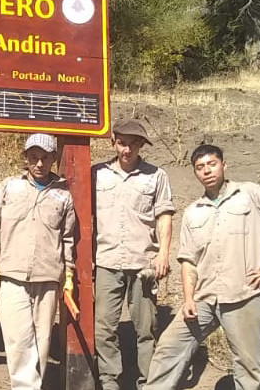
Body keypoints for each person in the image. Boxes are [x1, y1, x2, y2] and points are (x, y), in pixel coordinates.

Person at [144, 144, 260, 390]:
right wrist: (188, 299)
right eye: (200, 167)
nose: (207, 171)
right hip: (205, 297)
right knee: (169, 347)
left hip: (244, 294)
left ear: (223, 165)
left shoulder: (250, 194)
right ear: (195, 173)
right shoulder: (193, 212)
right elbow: (188, 260)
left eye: (212, 164)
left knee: (248, 366)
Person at [0, 133, 77, 390]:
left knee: (42, 341)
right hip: (12, 275)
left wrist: (67, 275)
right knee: (18, 339)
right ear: (25, 158)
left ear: (54, 158)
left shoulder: (64, 195)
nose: (39, 164)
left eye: (45, 158)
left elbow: (67, 238)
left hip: (48, 277)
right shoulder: (10, 186)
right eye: (34, 158)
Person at [92, 118, 175, 390]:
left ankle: (147, 382)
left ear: (141, 145)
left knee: (146, 329)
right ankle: (109, 380)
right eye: (122, 143)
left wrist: (163, 253)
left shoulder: (156, 175)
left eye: (133, 144)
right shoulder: (97, 174)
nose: (127, 150)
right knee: (104, 328)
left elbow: (164, 215)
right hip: (106, 261)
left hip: (143, 262)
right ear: (113, 142)